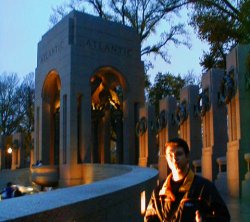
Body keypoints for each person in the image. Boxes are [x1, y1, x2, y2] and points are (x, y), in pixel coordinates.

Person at [144, 138, 230, 222]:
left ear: (187, 156)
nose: (174, 159)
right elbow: (149, 218)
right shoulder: (159, 192)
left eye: (179, 154)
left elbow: (224, 217)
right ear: (166, 158)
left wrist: (204, 220)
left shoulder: (204, 188)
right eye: (170, 155)